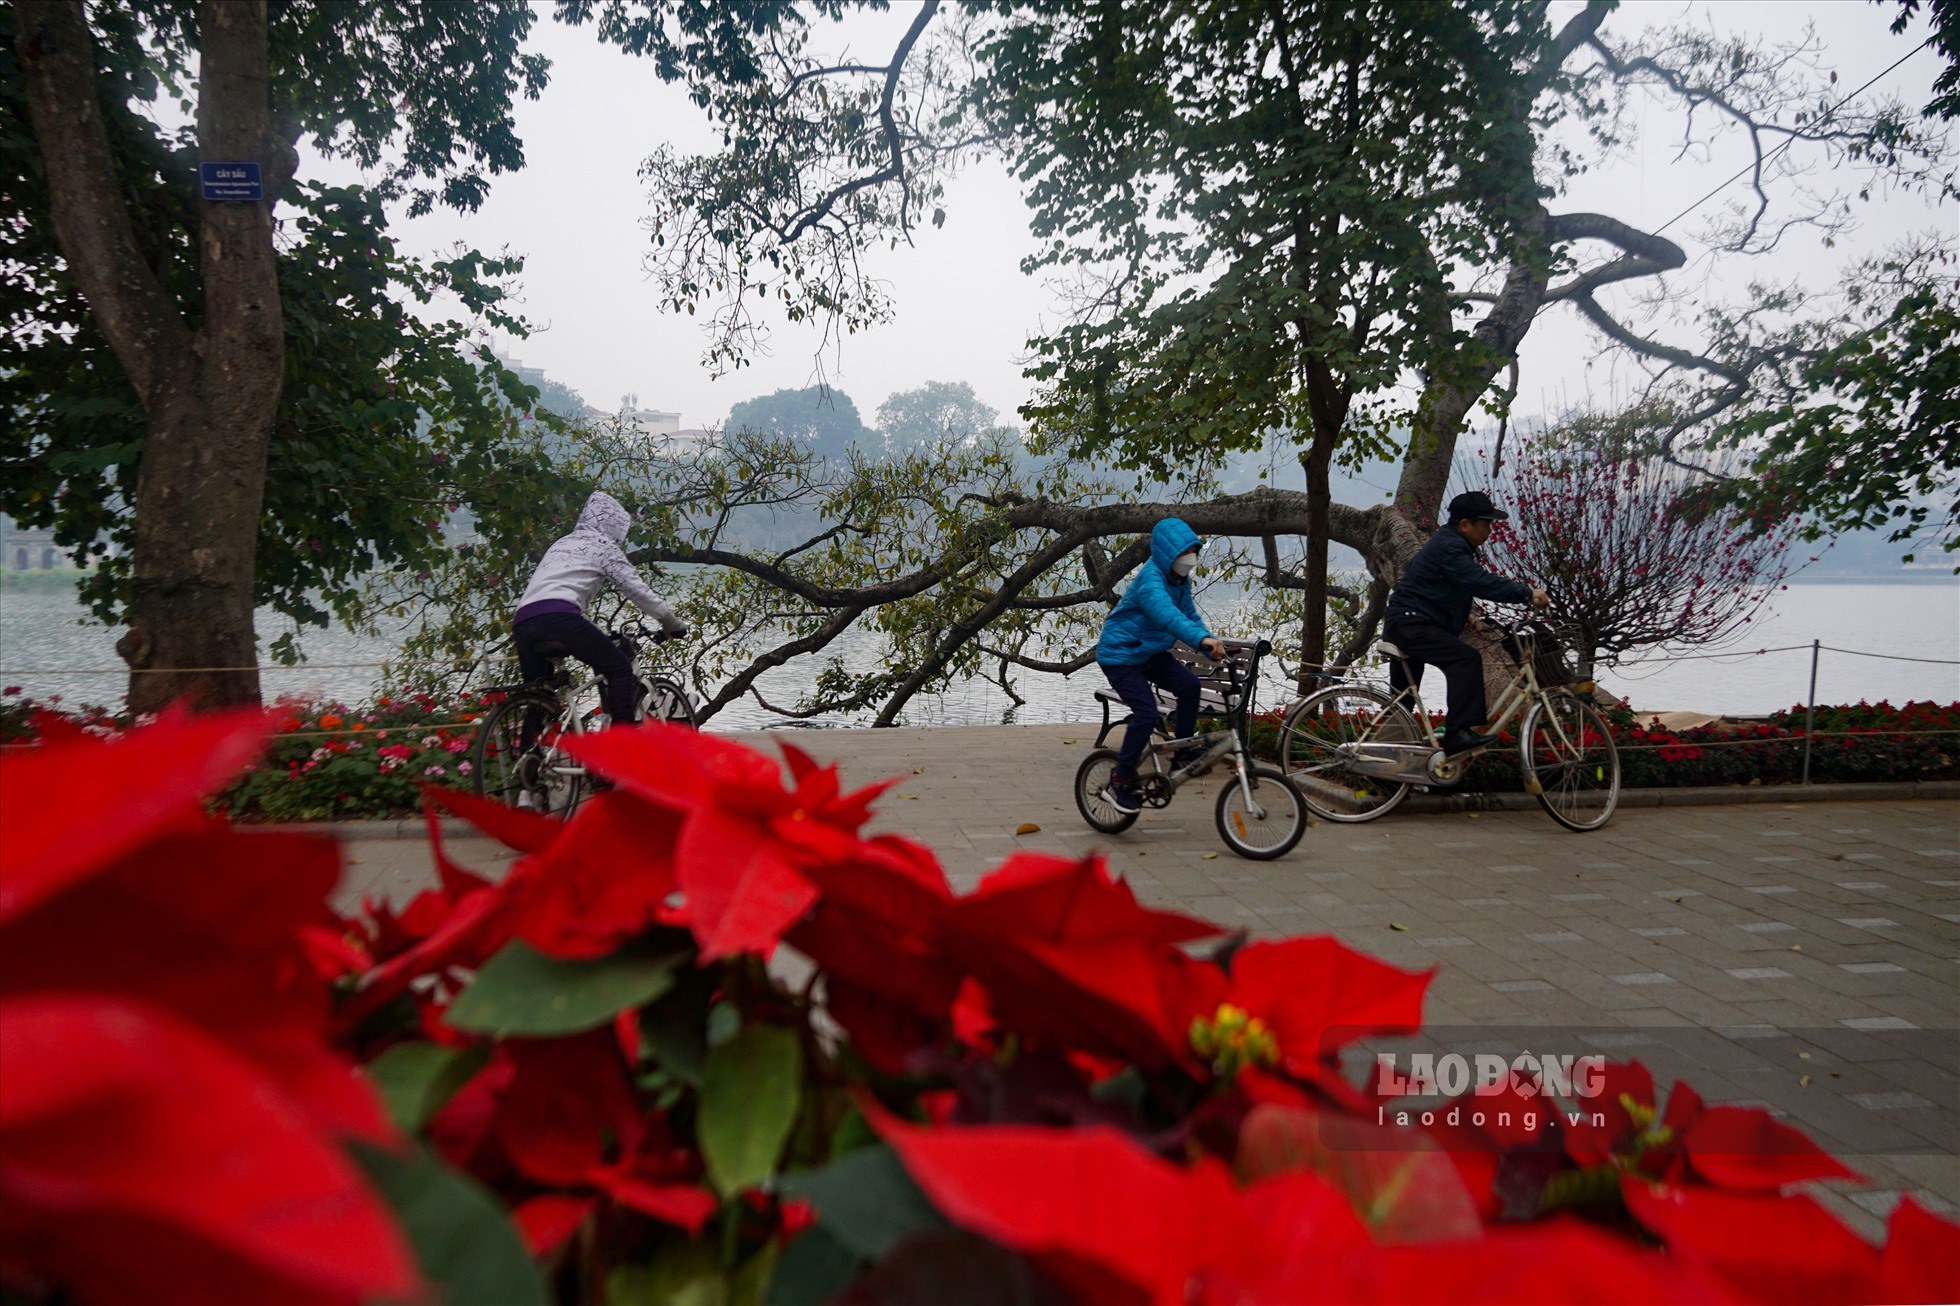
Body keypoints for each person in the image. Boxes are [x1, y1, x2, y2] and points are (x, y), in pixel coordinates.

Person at [1383, 490, 1549, 756]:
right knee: (1465, 660)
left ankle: (1385, 767)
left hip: (1405, 623)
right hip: (1412, 626)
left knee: (1402, 703)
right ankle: (1458, 733)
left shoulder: (1448, 543)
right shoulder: (1451, 547)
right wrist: (1527, 594)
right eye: (1485, 525)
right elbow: (1478, 581)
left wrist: (1466, 617)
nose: (1489, 532)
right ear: (1464, 525)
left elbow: (1439, 589)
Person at [511, 490, 686, 727]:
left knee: (539, 696)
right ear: (614, 525)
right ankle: (619, 750)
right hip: (559, 618)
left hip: (523, 621)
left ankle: (529, 758)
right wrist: (670, 623)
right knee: (620, 669)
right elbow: (636, 590)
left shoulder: (562, 542)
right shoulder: (603, 546)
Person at [1095, 518, 1227, 814]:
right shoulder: (1150, 581)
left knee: (1190, 686)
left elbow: (1189, 616)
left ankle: (1182, 752)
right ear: (1169, 554)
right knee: (1146, 713)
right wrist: (1200, 639)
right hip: (1121, 656)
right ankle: (1118, 781)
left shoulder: (1179, 582)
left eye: (1194, 552)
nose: (1191, 559)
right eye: (1186, 553)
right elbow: (1167, 615)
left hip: (1149, 653)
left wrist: (1207, 641)